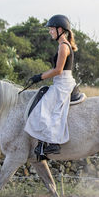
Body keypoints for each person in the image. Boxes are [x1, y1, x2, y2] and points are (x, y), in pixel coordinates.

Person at [24, 14, 78, 157]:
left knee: (45, 109)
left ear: (60, 29)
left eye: (51, 29)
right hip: (60, 82)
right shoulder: (63, 45)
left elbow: (58, 70)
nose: (50, 32)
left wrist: (39, 77)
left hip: (63, 83)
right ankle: (42, 144)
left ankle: (54, 144)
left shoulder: (63, 47)